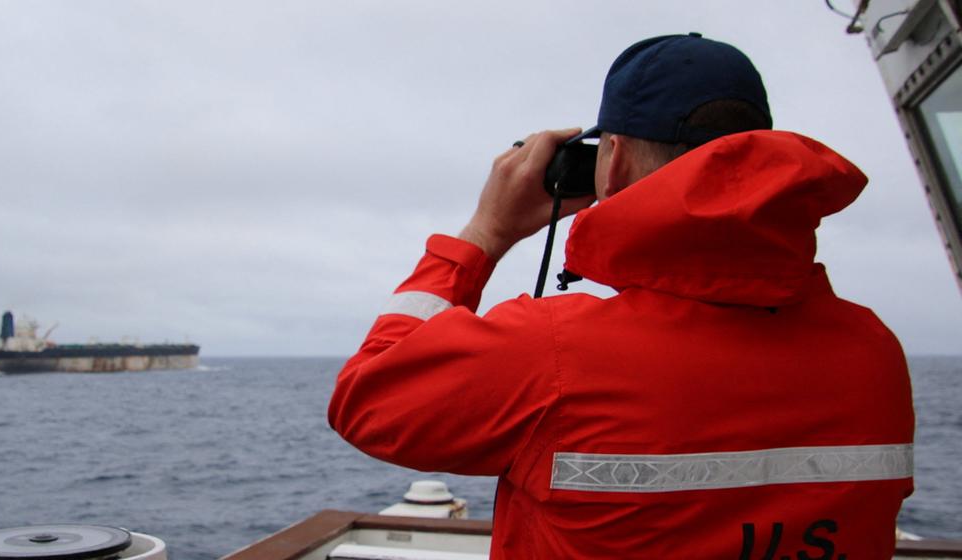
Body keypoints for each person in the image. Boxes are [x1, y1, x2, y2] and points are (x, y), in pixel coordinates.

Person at [328, 33, 914, 558]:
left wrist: (485, 233)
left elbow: (367, 398)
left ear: (615, 163)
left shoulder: (552, 354)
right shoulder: (874, 352)